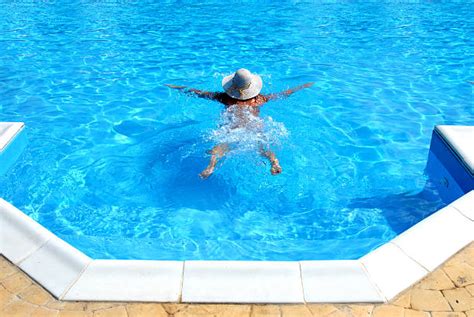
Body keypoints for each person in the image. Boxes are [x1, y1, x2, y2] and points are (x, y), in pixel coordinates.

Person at [166, 68, 314, 179]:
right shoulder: (259, 99)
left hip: (232, 128)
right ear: (251, 86)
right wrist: (300, 87)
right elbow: (283, 94)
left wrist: (178, 87)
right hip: (253, 127)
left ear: (232, 86)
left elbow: (199, 93)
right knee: (262, 147)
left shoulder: (225, 98)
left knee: (220, 147)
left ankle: (211, 167)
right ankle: (274, 162)